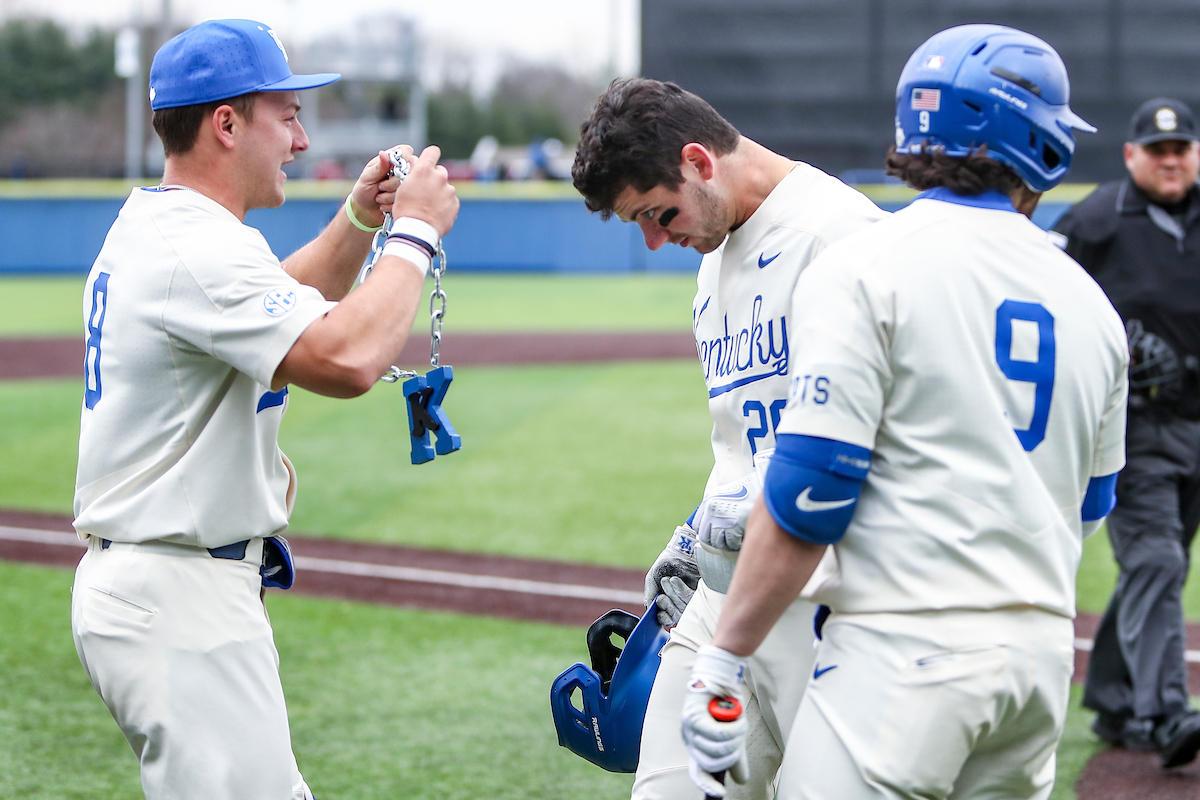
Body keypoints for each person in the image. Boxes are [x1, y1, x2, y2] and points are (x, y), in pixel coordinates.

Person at [677, 24, 1129, 799]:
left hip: (901, 659)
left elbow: (809, 494)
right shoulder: (1090, 301)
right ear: (1035, 140)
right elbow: (1092, 505)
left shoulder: (866, 263)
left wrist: (723, 656)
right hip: (1038, 664)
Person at [69, 19, 458, 800]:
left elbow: (282, 298)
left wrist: (360, 221)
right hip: (178, 596)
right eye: (287, 114)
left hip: (164, 585)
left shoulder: (168, 225)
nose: (302, 139)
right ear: (225, 123)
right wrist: (415, 231)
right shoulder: (199, 248)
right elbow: (345, 358)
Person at [571, 77, 886, 799]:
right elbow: (749, 438)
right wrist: (695, 533)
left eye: (657, 213)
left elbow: (884, 438)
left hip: (829, 608)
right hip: (724, 599)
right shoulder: (711, 261)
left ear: (698, 161)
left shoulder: (844, 239)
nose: (655, 239)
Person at [1054, 97, 1200, 766]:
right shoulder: (1095, 220)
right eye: (1158, 150)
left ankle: (1113, 695)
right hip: (1133, 429)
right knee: (1156, 560)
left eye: (1182, 149)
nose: (1171, 160)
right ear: (1131, 155)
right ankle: (1167, 715)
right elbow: (1048, 303)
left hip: (1197, 424)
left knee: (1159, 568)